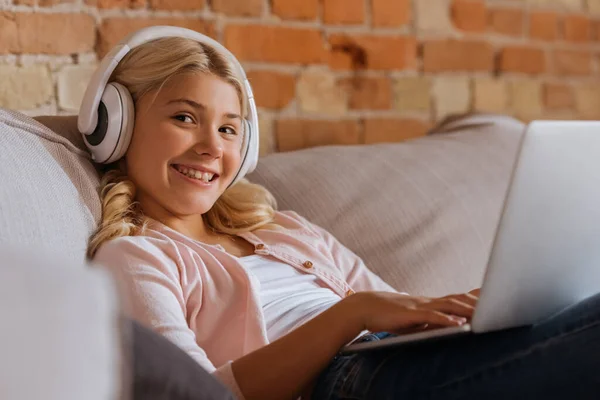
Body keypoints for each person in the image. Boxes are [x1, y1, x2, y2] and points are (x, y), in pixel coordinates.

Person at [89, 27, 600, 400]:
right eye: (184, 118)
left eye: (228, 130)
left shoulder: (288, 230)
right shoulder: (137, 256)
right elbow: (201, 394)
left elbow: (393, 311)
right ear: (119, 125)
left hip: (392, 359)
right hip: (346, 383)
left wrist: (462, 315)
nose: (210, 147)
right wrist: (349, 314)